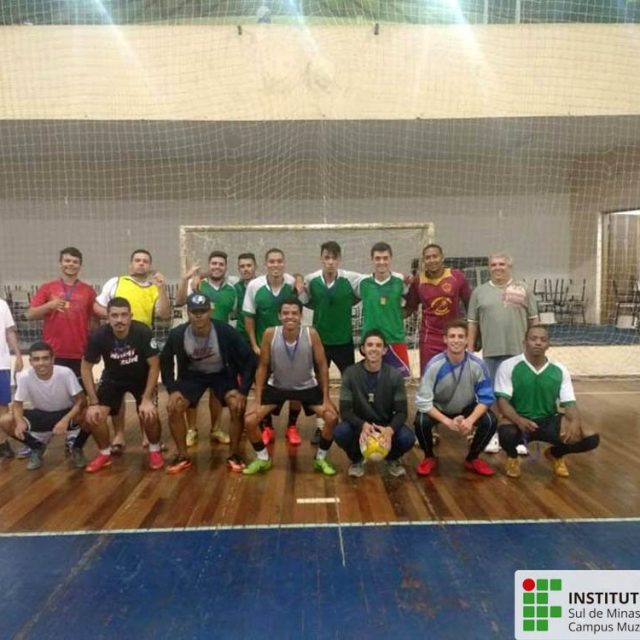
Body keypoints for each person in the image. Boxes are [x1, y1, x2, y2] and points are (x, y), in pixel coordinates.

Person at [160, 293, 256, 474]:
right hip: (193, 376)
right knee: (174, 407)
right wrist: (172, 389)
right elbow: (165, 361)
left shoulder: (225, 331)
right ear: (188, 313)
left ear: (210, 312)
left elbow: (249, 359)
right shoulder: (178, 334)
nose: (199, 316)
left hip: (222, 374)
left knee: (237, 406)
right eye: (194, 312)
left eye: (203, 311)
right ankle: (182, 455)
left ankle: (234, 454)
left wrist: (243, 391)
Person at [242, 298, 338, 476]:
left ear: (301, 316)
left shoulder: (311, 334)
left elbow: (322, 365)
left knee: (332, 418)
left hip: (306, 387)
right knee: (250, 420)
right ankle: (263, 458)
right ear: (279, 315)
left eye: (294, 313)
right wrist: (257, 399)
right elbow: (262, 366)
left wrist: (326, 398)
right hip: (277, 387)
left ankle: (320, 458)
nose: (290, 317)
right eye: (285, 313)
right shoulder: (270, 334)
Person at [495, 324, 599, 479]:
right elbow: (502, 402)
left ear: (548, 344)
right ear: (525, 342)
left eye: (543, 340)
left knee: (590, 438)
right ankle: (512, 457)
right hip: (519, 419)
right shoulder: (509, 366)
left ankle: (555, 454)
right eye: (533, 339)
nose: (538, 342)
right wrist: (518, 419)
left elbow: (569, 403)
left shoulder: (559, 369)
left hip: (548, 420)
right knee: (505, 433)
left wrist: (575, 422)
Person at [94, 249, 171, 452]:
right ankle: (119, 434)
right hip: (117, 344)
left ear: (150, 265)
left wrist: (162, 289)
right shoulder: (116, 282)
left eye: (145, 261)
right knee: (116, 394)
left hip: (142, 345)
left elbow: (164, 314)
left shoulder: (154, 288)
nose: (141, 263)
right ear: (130, 264)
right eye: (137, 260)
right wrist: (117, 320)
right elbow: (97, 306)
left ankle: (148, 436)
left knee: (145, 393)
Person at [26, 247, 97, 456]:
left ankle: (73, 438)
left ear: (80, 265)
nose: (70, 264)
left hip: (79, 353)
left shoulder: (88, 291)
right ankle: (42, 436)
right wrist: (49, 305)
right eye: (67, 261)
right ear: (60, 263)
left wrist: (94, 346)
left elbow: (94, 319)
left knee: (80, 399)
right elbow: (30, 314)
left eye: (75, 261)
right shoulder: (47, 288)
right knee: (51, 398)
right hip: (53, 356)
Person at [466, 251, 539, 454]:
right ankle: (493, 435)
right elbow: (472, 323)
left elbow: (534, 321)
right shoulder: (479, 292)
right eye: (493, 264)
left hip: (519, 353)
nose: (497, 268)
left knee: (519, 397)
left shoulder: (523, 289)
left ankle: (520, 438)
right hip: (491, 353)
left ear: (509, 266)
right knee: (492, 397)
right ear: (489, 267)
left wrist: (535, 349)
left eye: (501, 264)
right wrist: (470, 350)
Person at [81, 297, 163, 473]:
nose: (119, 320)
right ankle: (104, 453)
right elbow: (86, 368)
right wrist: (93, 402)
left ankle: (155, 450)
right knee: (94, 416)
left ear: (130, 316)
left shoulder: (143, 332)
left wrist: (147, 399)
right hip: (113, 378)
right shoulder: (98, 336)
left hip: (141, 378)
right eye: (115, 315)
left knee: (149, 414)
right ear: (108, 317)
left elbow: (155, 366)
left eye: (124, 315)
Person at [413, 320, 497, 477]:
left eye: (460, 336)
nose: (456, 340)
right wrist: (448, 422)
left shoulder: (478, 365)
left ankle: (472, 458)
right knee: (421, 421)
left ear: (466, 340)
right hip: (440, 408)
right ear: (445, 339)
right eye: (452, 336)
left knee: (490, 421)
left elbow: (486, 399)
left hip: (466, 408)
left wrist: (470, 420)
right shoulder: (434, 365)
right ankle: (429, 457)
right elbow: (423, 402)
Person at [175, 251, 239, 448]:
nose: (217, 267)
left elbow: (234, 314)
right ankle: (192, 429)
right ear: (209, 266)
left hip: (219, 347)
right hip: (193, 344)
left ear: (225, 267)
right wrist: (185, 278)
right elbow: (179, 302)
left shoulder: (232, 289)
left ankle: (216, 428)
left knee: (217, 390)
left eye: (221, 264)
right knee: (190, 389)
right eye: (214, 263)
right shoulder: (197, 285)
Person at [333, 329, 414, 478]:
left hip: (385, 425)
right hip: (360, 424)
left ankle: (392, 459)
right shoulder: (350, 374)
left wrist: (390, 430)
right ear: (363, 349)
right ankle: (357, 459)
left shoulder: (395, 375)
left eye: (378, 345)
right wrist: (362, 425)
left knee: (407, 437)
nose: (374, 349)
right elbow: (345, 411)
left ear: (384, 350)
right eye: (370, 345)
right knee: (340, 432)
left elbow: (402, 412)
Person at [243, 248, 303, 445]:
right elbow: (249, 317)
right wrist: (254, 344)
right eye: (272, 261)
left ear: (284, 263)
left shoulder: (292, 283)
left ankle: (292, 426)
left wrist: (300, 277)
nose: (275, 265)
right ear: (265, 264)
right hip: (265, 348)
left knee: (296, 387)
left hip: (291, 347)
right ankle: (267, 426)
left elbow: (300, 302)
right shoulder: (255, 286)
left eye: (279, 261)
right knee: (264, 387)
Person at [303, 241, 360, 444]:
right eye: (326, 257)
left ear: (339, 260)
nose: (330, 262)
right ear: (321, 258)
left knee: (350, 384)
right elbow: (304, 298)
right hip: (320, 342)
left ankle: (350, 422)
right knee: (320, 384)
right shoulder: (311, 281)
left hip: (344, 341)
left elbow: (372, 282)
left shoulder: (350, 281)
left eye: (334, 258)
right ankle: (321, 426)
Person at [0, 342, 87, 470]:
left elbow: (82, 401)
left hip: (66, 414)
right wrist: (19, 421)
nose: (41, 363)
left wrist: (66, 419)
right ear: (30, 361)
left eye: (45, 358)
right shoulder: (24, 376)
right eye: (36, 359)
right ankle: (36, 447)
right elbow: (17, 404)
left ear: (53, 359)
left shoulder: (65, 373)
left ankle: (76, 447)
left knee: (89, 413)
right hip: (41, 414)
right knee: (5, 420)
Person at [405, 243, 472, 375]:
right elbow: (410, 308)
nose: (432, 260)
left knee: (456, 375)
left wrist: (473, 333)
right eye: (428, 257)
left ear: (442, 257)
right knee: (429, 376)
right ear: (424, 261)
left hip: (453, 335)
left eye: (435, 256)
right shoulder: (418, 281)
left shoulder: (456, 277)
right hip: (429, 338)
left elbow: (470, 305)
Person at [355, 242, 410, 379]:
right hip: (371, 341)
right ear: (372, 260)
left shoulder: (400, 282)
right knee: (372, 382)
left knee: (401, 382)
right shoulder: (363, 283)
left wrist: (398, 316)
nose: (381, 262)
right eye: (378, 258)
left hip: (395, 339)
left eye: (385, 258)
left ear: (391, 259)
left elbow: (412, 303)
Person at [0, 296, 23, 459]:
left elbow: (9, 331)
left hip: (1, 364)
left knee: (2, 406)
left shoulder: (1, 305)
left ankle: (2, 443)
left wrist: (18, 355)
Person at [234, 252, 258, 346]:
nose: (246, 269)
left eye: (249, 265)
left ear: (255, 267)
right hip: (241, 336)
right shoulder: (235, 288)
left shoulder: (262, 286)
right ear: (238, 269)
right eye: (242, 266)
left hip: (259, 335)